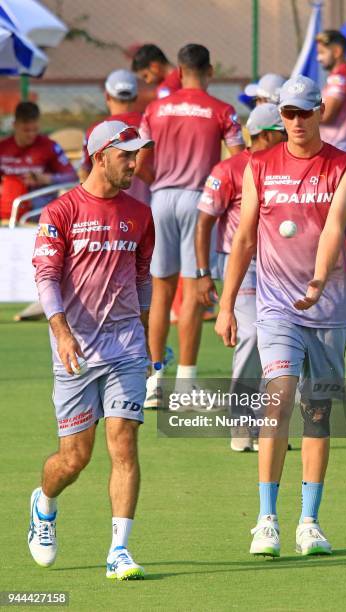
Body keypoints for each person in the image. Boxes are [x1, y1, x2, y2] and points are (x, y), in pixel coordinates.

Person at [215, 75, 346, 557]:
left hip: (328, 305)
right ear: (280, 116)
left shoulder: (344, 166)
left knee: (317, 413)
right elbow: (243, 239)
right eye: (289, 113)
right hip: (276, 305)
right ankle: (266, 521)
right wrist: (225, 303)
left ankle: (310, 522)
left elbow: (334, 228)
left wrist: (318, 282)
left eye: (304, 112)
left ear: (320, 111)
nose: (296, 121)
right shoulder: (259, 165)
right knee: (278, 399)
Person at [28, 120, 155, 580]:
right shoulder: (61, 212)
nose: (134, 162)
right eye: (126, 155)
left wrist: (146, 339)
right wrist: (61, 332)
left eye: (137, 153)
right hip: (76, 350)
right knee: (73, 459)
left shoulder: (141, 213)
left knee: (124, 442)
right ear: (100, 155)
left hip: (125, 347)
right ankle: (44, 506)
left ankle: (119, 550)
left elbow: (142, 277)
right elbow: (45, 278)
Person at [138, 43, 244, 408]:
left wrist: (159, 182)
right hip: (199, 202)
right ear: (210, 71)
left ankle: (154, 384)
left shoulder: (155, 108)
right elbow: (239, 162)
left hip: (161, 199)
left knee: (160, 294)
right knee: (192, 296)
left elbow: (139, 162)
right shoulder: (222, 111)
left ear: (179, 72)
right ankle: (185, 387)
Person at [195, 103, 287, 451]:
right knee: (250, 335)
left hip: (281, 264)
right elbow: (204, 222)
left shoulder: (288, 166)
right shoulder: (229, 168)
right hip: (239, 263)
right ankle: (240, 424)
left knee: (280, 339)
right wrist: (202, 272)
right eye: (280, 131)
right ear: (263, 135)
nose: (287, 135)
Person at [80, 69, 152, 205]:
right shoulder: (152, 124)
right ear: (136, 97)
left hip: (107, 210)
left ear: (107, 96)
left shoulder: (95, 132)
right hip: (151, 208)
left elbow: (85, 173)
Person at [0, 101, 77, 221]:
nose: (31, 134)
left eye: (35, 129)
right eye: (26, 130)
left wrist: (46, 179)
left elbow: (72, 177)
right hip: (7, 207)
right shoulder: (3, 148)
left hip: (38, 210)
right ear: (14, 125)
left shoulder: (49, 146)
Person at [316, 30, 346, 162]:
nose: (318, 58)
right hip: (341, 148)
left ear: (336, 52)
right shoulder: (341, 76)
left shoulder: (339, 77)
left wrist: (300, 115)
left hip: (340, 150)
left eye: (322, 53)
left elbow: (326, 115)